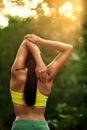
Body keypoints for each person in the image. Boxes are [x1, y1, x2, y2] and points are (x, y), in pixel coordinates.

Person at [10, 34, 73, 130]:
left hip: (20, 126)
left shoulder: (17, 74)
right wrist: (41, 41)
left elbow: (26, 41)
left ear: (24, 59)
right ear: (38, 57)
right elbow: (68, 48)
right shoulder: (46, 76)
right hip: (40, 126)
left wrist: (38, 61)